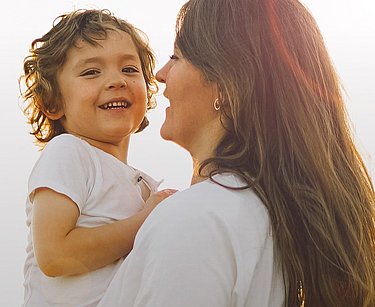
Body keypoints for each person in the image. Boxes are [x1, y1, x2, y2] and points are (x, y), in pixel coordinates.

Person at [98, 0, 375, 306]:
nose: (160, 74)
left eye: (176, 57)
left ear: (225, 86)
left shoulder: (196, 221)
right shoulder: (269, 219)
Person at [19, 9, 176, 306]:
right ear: (52, 102)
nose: (116, 81)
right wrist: (144, 222)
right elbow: (54, 255)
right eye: (92, 72)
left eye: (129, 69)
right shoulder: (68, 153)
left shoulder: (146, 189)